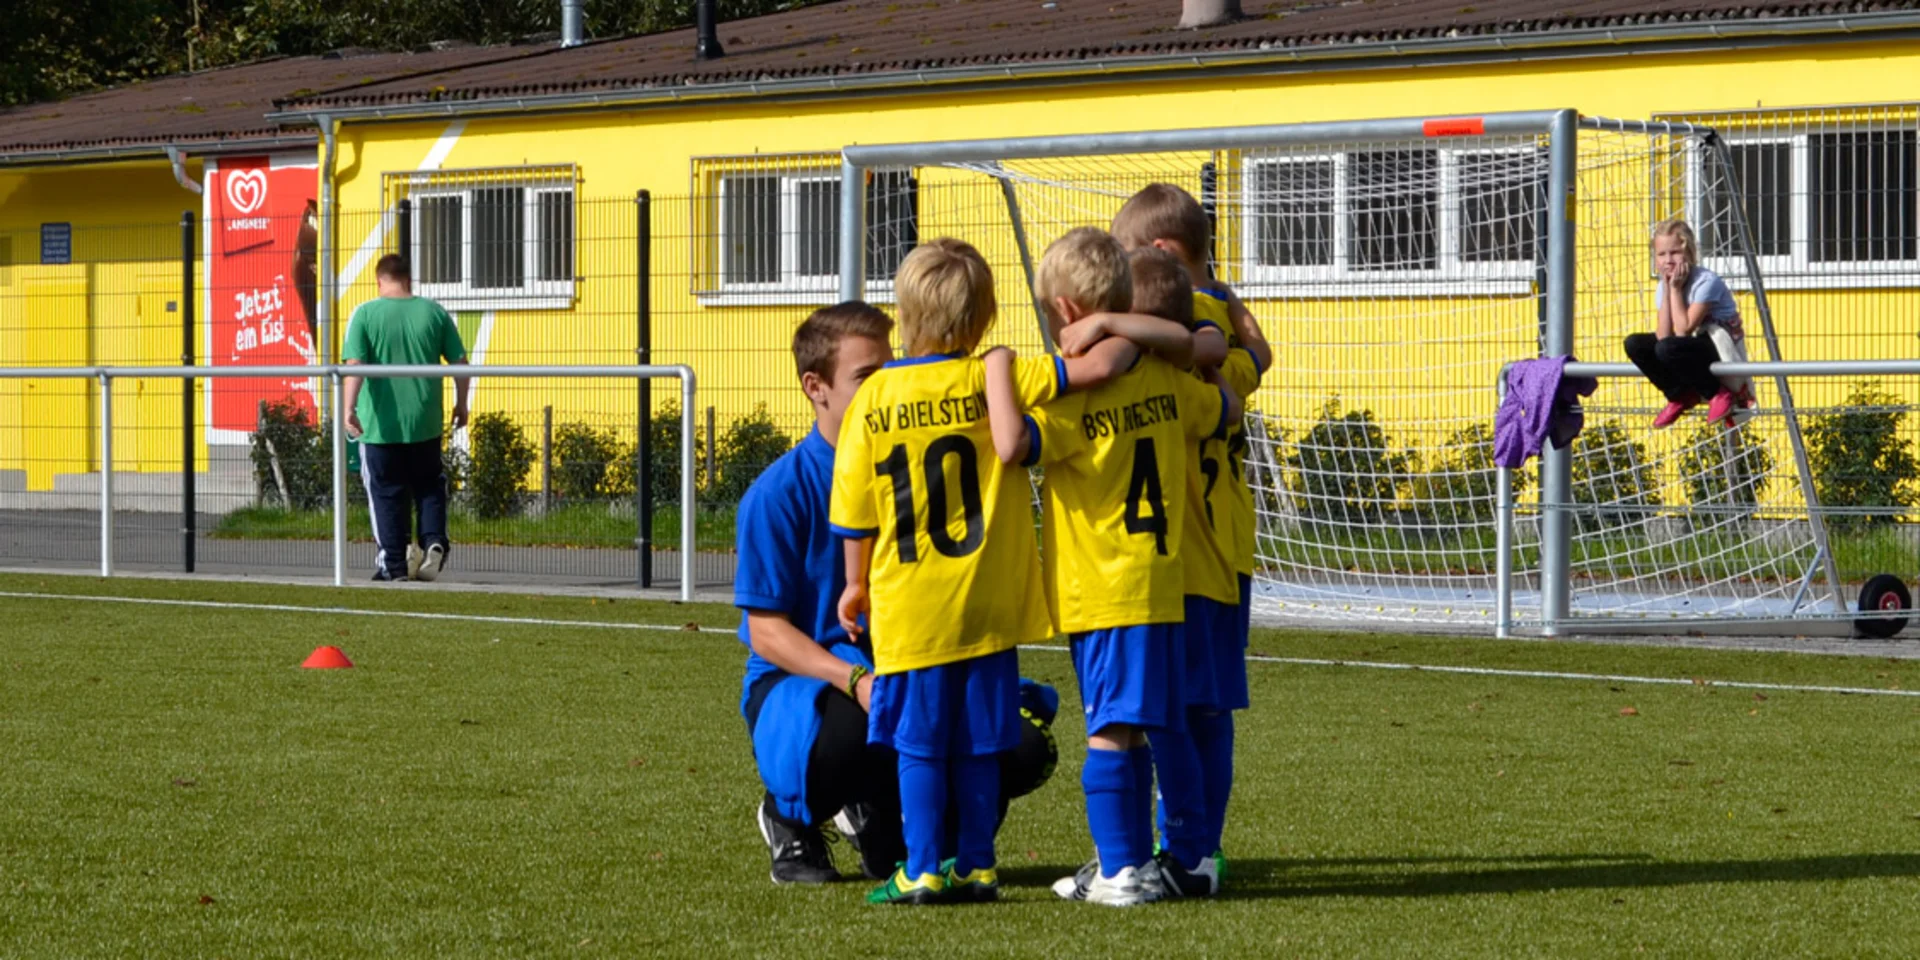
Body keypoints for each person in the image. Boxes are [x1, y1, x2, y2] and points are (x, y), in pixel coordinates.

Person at [830, 238, 1136, 906]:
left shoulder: (875, 397)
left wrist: (855, 583)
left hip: (913, 606)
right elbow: (1087, 373)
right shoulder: (996, 376)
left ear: (904, 313)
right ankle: (979, 864)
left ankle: (922, 868)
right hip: (990, 606)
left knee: (917, 744)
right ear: (987, 316)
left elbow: (855, 510)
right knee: (976, 742)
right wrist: (1121, 327)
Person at [733, 300, 1061, 886]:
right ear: (816, 388)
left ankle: (888, 819)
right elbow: (766, 632)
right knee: (855, 729)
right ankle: (790, 818)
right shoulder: (776, 494)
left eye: (891, 367)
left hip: (917, 657)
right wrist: (853, 679)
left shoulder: (923, 454)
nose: (888, 383)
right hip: (814, 683)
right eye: (866, 376)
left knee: (1019, 745)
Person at [988, 228, 1235, 906]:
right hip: (1159, 581)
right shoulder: (1168, 379)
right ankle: (1174, 855)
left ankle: (1124, 869)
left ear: (1066, 313)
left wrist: (998, 370)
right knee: (1155, 722)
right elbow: (1228, 408)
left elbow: (1018, 446)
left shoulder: (1075, 398)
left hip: (1102, 588)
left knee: (1109, 731)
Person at [1110, 184, 1268, 885]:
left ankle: (1187, 848)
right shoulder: (1225, 330)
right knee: (1205, 705)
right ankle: (1199, 844)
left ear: (1159, 254)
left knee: (1176, 706)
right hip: (1225, 545)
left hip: (1185, 550)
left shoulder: (1181, 325)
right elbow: (1254, 360)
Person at [342, 254, 469, 582]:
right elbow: (460, 362)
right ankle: (434, 542)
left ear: (379, 280)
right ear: (409, 280)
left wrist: (348, 409)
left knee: (385, 492)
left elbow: (354, 366)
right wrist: (462, 404)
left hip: (380, 427)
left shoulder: (366, 314)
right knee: (429, 486)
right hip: (424, 422)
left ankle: (394, 564)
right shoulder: (434, 312)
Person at [1624, 218, 1753, 429]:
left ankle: (1718, 394)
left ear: (1689, 252)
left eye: (1674, 252)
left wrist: (1675, 290)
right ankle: (1680, 395)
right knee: (1634, 343)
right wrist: (1667, 290)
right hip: (1688, 347)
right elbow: (1663, 335)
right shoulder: (1662, 286)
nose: (1668, 260)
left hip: (1717, 345)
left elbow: (1683, 330)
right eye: (1662, 254)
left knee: (1669, 348)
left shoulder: (1706, 281)